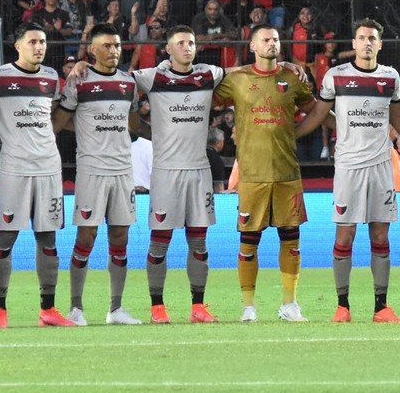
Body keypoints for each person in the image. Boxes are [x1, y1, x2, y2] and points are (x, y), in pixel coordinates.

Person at [214, 24, 330, 321]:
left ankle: (289, 304)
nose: (272, 43)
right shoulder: (236, 80)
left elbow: (316, 109)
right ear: (252, 46)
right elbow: (206, 95)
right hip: (252, 175)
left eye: (276, 39)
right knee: (248, 241)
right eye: (265, 39)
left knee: (291, 239)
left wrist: (300, 132)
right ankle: (248, 306)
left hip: (287, 173)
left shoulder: (292, 76)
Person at [316, 18, 400, 323]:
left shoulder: (390, 77)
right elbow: (322, 113)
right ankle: (342, 306)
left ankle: (380, 307)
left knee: (380, 233)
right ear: (353, 43)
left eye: (372, 38)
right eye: (362, 38)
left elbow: (398, 119)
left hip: (380, 166)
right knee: (345, 233)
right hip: (348, 166)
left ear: (379, 44)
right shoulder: (336, 76)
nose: (367, 43)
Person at [0, 22, 69, 328]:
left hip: (49, 167)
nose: (39, 47)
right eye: (32, 41)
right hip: (15, 169)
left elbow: (55, 115)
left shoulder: (51, 77)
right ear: (18, 45)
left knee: (48, 239)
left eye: (42, 42)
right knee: (6, 239)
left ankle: (48, 309)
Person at [132, 25, 226, 323]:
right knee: (160, 241)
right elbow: (119, 79)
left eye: (191, 42)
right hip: (166, 173)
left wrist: (284, 64)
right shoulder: (154, 77)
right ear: (168, 50)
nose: (188, 47)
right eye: (181, 43)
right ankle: (157, 306)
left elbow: (242, 72)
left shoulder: (208, 74)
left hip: (199, 172)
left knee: (199, 242)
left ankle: (198, 306)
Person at [56, 22, 142, 326]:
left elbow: (132, 123)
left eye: (117, 45)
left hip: (123, 170)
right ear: (91, 50)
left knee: (120, 236)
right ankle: (76, 308)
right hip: (92, 169)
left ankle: (115, 309)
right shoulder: (78, 80)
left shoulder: (128, 83)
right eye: (106, 45)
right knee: (87, 235)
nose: (113, 50)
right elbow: (59, 121)